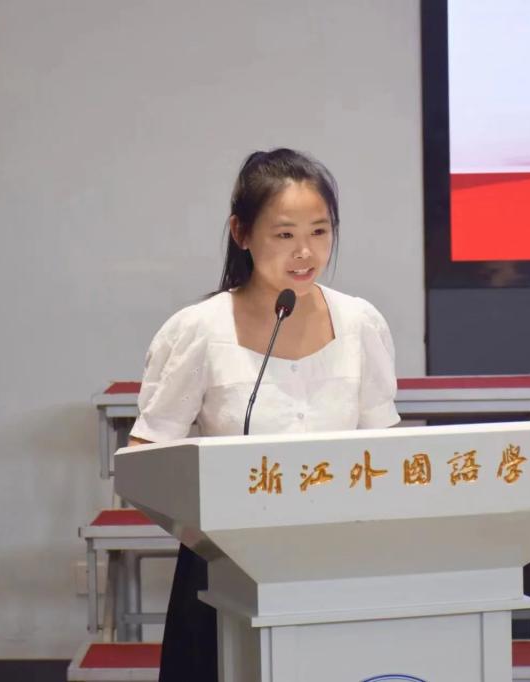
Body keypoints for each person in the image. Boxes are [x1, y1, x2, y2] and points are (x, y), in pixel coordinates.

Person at [127, 148, 400, 682]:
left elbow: (385, 446)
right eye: (284, 234)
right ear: (242, 233)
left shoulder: (360, 322)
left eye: (320, 232)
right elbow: (147, 457)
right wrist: (206, 534)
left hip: (339, 560)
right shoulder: (199, 329)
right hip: (225, 567)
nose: (306, 252)